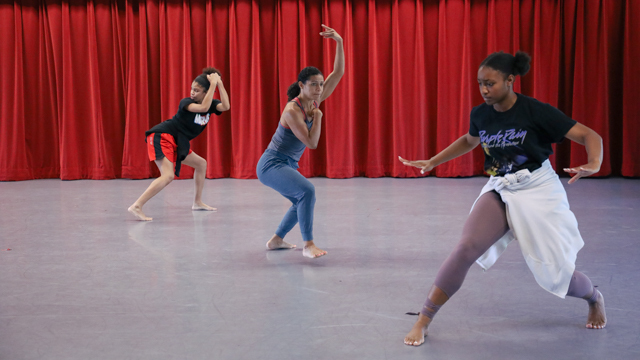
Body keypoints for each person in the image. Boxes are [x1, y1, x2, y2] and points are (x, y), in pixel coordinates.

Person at [399, 51, 607, 346]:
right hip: (501, 187)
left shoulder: (535, 111)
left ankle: (593, 296)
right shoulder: (481, 113)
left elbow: (590, 135)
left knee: (558, 274)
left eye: (491, 83)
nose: (484, 90)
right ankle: (424, 319)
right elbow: (470, 140)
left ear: (510, 80)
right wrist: (433, 161)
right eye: (480, 83)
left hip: (538, 189)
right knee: (466, 247)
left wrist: (594, 162)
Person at [256, 24, 344, 259]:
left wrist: (340, 42)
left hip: (287, 164)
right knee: (307, 191)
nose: (319, 88)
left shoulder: (314, 101)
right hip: (271, 164)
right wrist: (320, 118)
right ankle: (308, 245)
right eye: (314, 84)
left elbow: (338, 73)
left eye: (321, 84)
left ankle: (276, 240)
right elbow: (312, 143)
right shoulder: (292, 111)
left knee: (301, 200)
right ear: (301, 85)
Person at [128, 67, 230, 221]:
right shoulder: (187, 103)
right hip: (161, 136)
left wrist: (219, 84)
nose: (192, 93)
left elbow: (226, 106)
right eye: (191, 89)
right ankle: (137, 205)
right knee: (168, 176)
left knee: (201, 164)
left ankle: (197, 202)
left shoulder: (212, 105)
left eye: (196, 90)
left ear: (206, 92)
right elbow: (202, 107)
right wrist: (213, 85)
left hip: (177, 141)